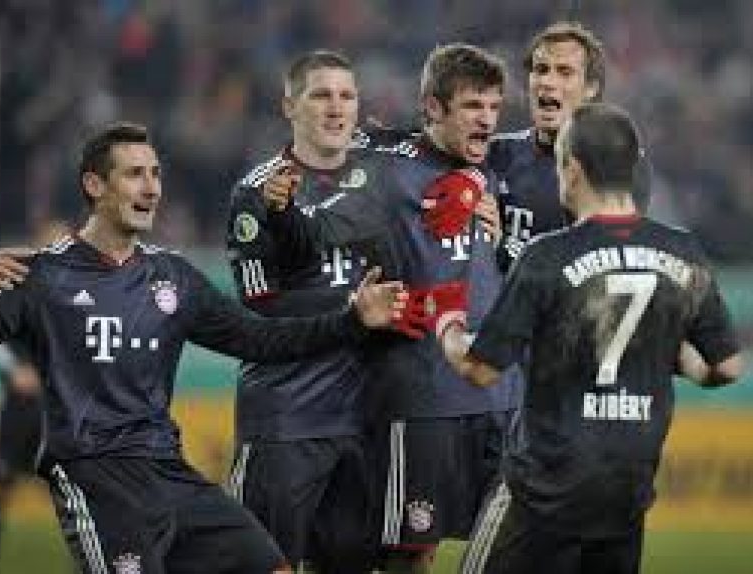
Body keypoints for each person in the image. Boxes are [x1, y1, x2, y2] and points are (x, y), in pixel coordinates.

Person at [0, 122, 409, 574]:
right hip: (95, 476)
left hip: (168, 472)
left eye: (155, 174)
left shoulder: (173, 277)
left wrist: (352, 320)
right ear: (94, 185)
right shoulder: (43, 276)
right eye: (134, 174)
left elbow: (263, 340)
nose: (151, 188)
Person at [436, 103, 742, 574]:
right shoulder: (683, 251)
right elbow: (728, 367)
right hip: (625, 493)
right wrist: (672, 355)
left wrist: (448, 326)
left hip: (544, 492)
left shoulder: (548, 256)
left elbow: (480, 369)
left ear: (572, 169)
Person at [260, 44, 517, 573]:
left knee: (513, 545)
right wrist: (279, 206)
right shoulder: (380, 165)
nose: (487, 120)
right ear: (433, 107)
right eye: (473, 106)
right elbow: (321, 168)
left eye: (494, 107)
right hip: (419, 390)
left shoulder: (486, 173)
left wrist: (483, 203)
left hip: (496, 394)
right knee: (406, 551)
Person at [224, 50, 377, 573]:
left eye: (347, 96)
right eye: (321, 95)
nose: (336, 107)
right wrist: (354, 312)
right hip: (286, 417)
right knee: (266, 565)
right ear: (289, 106)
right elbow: (260, 309)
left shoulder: (379, 181)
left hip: (362, 417)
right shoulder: (256, 192)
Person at [489, 20, 650, 272]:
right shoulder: (495, 154)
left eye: (564, 72)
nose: (547, 81)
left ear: (591, 88)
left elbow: (600, 263)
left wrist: (504, 247)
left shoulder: (622, 162)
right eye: (541, 70)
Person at [0, 219, 70, 574]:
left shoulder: (74, 294)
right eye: (52, 243)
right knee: (0, 485)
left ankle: (86, 558)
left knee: (70, 487)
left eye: (63, 243)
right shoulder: (15, 284)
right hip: (17, 409)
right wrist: (14, 369)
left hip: (54, 410)